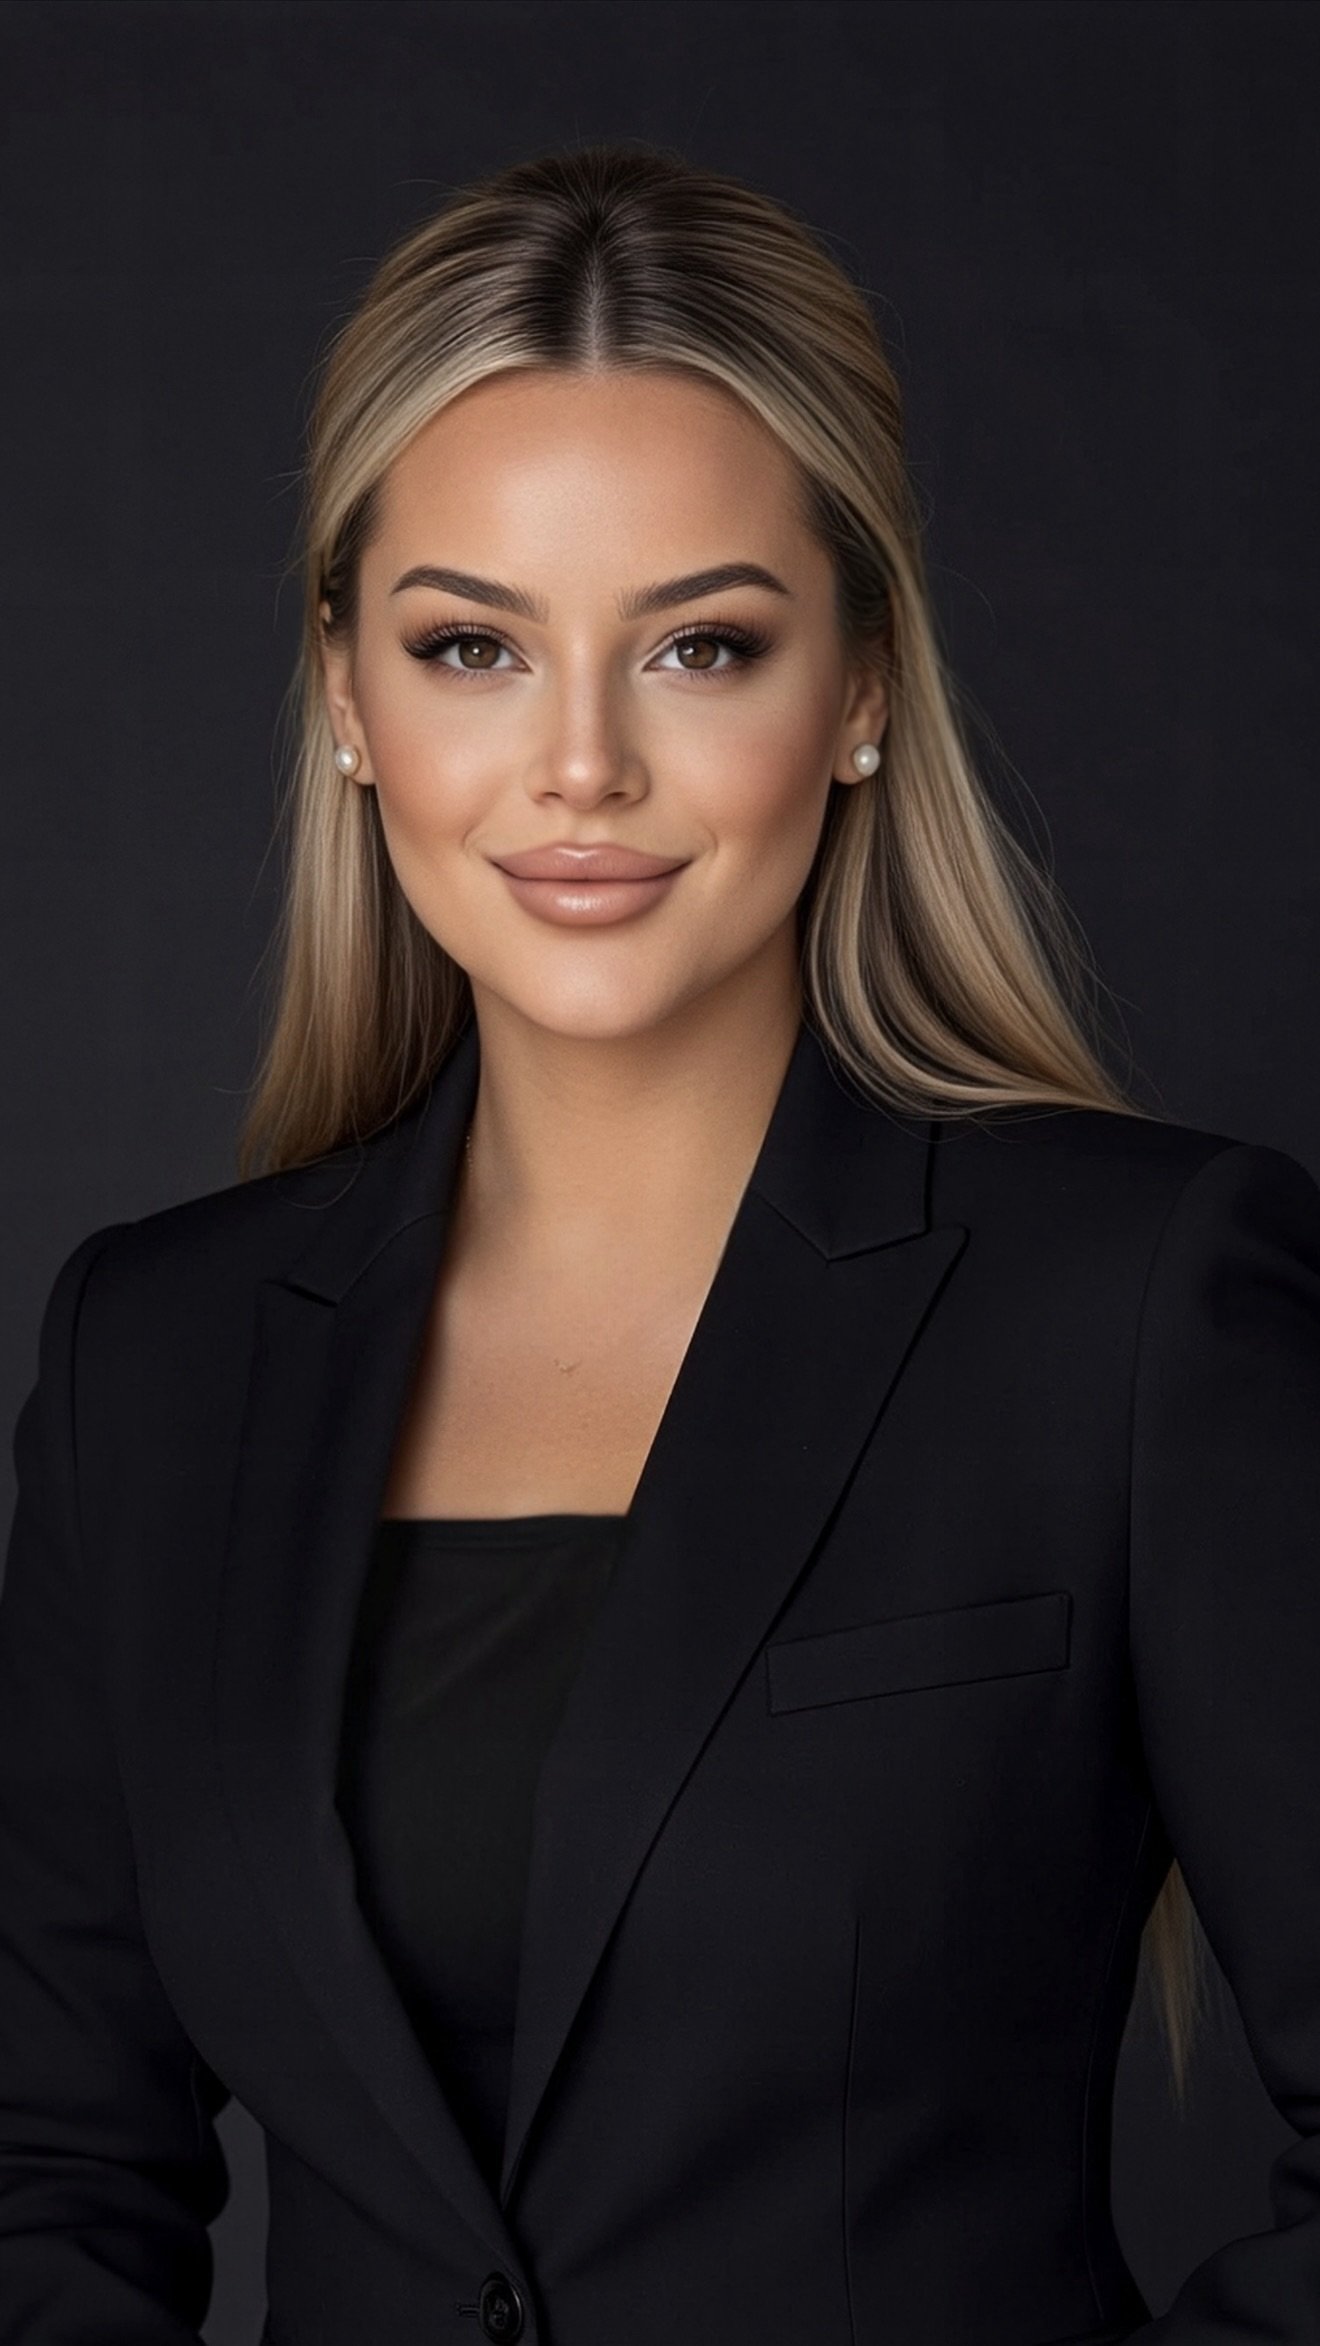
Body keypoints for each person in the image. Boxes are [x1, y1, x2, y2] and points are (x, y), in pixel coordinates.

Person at [1, 138, 1318, 2346]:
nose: (582, 765)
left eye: (701, 644)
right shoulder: (158, 1360)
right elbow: (39, 2175)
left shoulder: (1141, 1304)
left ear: (865, 686)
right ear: (347, 695)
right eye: (473, 648)